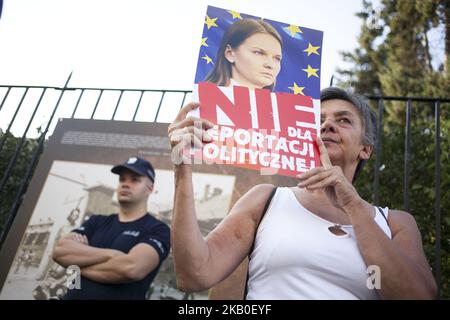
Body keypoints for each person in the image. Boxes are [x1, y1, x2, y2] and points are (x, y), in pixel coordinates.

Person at [167, 87, 437, 299]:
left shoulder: (395, 223)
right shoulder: (266, 200)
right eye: (318, 120)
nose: (327, 125)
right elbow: (194, 274)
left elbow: (416, 296)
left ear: (365, 149)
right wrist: (182, 169)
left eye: (343, 120)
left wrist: (353, 205)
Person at [52, 156, 171, 300]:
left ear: (150, 189)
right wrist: (113, 255)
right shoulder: (96, 221)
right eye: (122, 179)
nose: (126, 184)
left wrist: (77, 263)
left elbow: (131, 269)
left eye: (135, 180)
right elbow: (59, 252)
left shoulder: (158, 229)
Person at [204, 18, 282, 91]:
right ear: (230, 54)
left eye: (277, 58)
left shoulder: (280, 105)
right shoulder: (202, 99)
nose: (271, 65)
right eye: (258, 53)